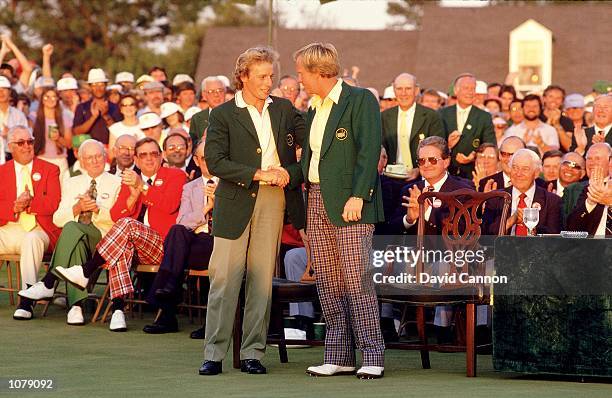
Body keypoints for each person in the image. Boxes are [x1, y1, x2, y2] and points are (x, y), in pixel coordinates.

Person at [198, 46, 305, 377]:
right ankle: (213, 353)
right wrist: (259, 173)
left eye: (271, 76)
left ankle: (253, 353)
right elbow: (215, 160)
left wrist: (291, 172)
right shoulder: (222, 114)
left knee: (261, 281)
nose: (268, 82)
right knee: (224, 280)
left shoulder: (286, 109)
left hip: (274, 200)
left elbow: (313, 145)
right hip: (234, 204)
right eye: (261, 76)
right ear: (242, 76)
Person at [295, 42, 385, 379]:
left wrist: (359, 195)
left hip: (351, 202)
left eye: (302, 72)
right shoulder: (314, 107)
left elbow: (369, 149)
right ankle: (339, 355)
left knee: (355, 279)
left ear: (319, 72)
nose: (299, 78)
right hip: (316, 198)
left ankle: (372, 354)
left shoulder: (360, 99)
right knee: (329, 281)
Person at [50, 137, 185, 331]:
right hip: (135, 245)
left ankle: (86, 271)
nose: (148, 159)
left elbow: (169, 206)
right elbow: (116, 214)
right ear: (136, 160)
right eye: (143, 155)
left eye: (153, 154)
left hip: (163, 246)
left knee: (125, 226)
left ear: (161, 156)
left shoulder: (175, 176)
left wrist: (142, 187)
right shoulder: (130, 180)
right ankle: (118, 311)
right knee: (122, 242)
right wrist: (132, 196)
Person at [18, 139, 121, 325]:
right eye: (90, 158)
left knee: (72, 230)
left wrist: (97, 209)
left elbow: (119, 221)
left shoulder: (117, 182)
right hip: (77, 237)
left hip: (103, 239)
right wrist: (76, 208)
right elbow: (58, 219)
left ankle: (49, 281)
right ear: (81, 161)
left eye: (99, 156)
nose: (95, 161)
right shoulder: (71, 183)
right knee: (74, 235)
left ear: (105, 157)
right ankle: (76, 307)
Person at [143, 140, 217, 334]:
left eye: (212, 157)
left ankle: (167, 306)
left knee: (177, 247)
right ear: (196, 160)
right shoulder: (190, 187)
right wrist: (206, 209)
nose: (208, 162)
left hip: (220, 241)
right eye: (203, 158)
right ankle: (168, 302)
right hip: (196, 242)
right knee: (176, 231)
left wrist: (218, 205)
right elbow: (183, 221)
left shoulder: (228, 185)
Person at [0, 126, 61, 320]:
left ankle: (27, 300)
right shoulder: (2, 172)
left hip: (39, 227)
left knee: (31, 238)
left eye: (30, 141)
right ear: (10, 147)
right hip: (9, 227)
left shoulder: (50, 169)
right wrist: (14, 207)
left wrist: (28, 203)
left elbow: (53, 203)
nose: (27, 146)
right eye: (21, 143)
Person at [483, 148, 562, 236]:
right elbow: (485, 234)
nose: (518, 173)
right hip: (502, 248)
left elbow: (554, 238)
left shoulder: (552, 201)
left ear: (536, 173)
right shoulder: (496, 198)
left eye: (525, 169)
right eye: (515, 168)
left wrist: (531, 227)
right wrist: (509, 222)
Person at [381, 73, 444, 170]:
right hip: (389, 177)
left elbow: (438, 149)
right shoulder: (383, 117)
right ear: (394, 90)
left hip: (421, 176)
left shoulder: (431, 117)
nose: (403, 93)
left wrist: (419, 170)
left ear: (416, 90)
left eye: (408, 88)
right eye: (399, 89)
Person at [439, 73, 496, 178]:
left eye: (473, 88)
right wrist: (448, 145)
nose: (470, 92)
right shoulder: (442, 114)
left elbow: (490, 145)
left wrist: (474, 155)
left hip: (473, 175)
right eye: (466, 88)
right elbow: (434, 145)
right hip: (446, 174)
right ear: (456, 90)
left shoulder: (484, 117)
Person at [566, 143, 612, 235]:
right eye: (589, 159)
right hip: (592, 247)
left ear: (610, 162)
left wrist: (610, 203)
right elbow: (571, 229)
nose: (592, 163)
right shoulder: (586, 189)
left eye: (597, 158)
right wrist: (590, 203)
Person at [72, 68, 121, 145]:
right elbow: (77, 132)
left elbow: (119, 131)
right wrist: (93, 117)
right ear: (90, 87)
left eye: (101, 85)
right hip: (89, 151)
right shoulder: (82, 107)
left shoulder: (114, 107)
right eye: (94, 85)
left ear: (105, 85)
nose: (98, 88)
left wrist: (106, 115)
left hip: (110, 150)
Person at [31, 88, 73, 175]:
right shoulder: (33, 117)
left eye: (54, 97)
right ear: (42, 99)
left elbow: (69, 144)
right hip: (40, 159)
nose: (50, 100)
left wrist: (58, 138)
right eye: (47, 97)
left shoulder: (65, 116)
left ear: (58, 99)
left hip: (59, 161)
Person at [188, 76, 226, 144]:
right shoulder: (197, 119)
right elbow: (192, 144)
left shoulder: (235, 114)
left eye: (220, 90)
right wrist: (203, 141)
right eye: (211, 91)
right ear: (204, 95)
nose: (216, 95)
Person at [0, 76, 28, 163]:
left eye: (4, 89)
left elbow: (26, 139)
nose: (1, 92)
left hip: (13, 157)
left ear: (10, 92)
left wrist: (11, 134)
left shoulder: (19, 115)